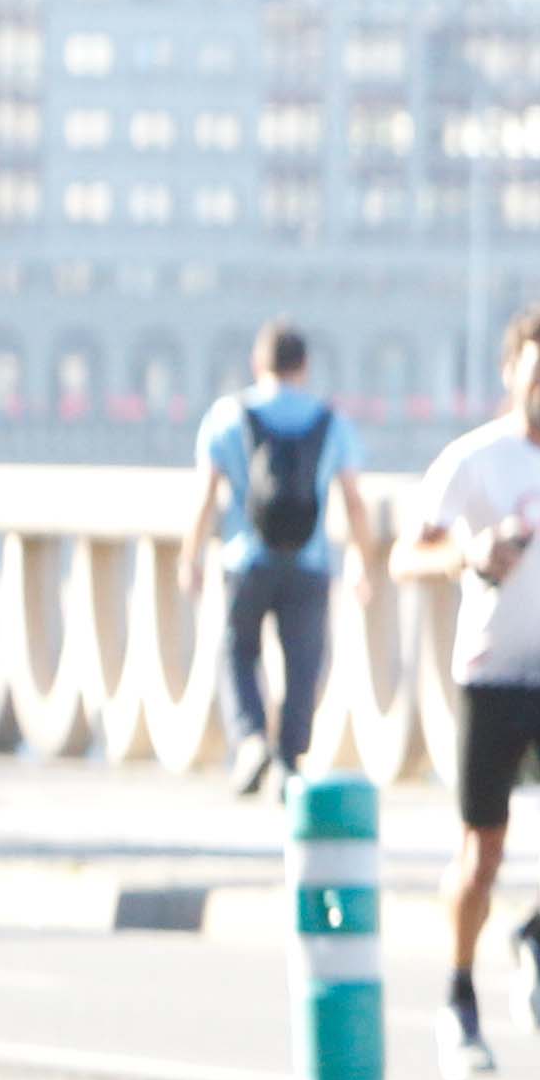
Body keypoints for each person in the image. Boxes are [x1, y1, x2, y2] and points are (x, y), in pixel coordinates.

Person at [393, 307, 540, 1080]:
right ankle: (459, 996)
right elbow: (406, 555)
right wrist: (471, 553)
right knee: (481, 855)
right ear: (512, 373)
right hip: (492, 674)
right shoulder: (476, 461)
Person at [181, 322, 377, 796]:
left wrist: (190, 555)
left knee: (237, 651)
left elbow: (206, 494)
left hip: (245, 559)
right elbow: (353, 499)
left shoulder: (228, 416)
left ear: (257, 363)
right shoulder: (330, 421)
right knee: (304, 661)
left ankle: (250, 738)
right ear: (304, 366)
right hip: (309, 563)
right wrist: (363, 563)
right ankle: (289, 759)